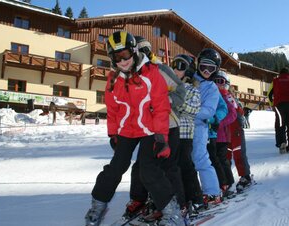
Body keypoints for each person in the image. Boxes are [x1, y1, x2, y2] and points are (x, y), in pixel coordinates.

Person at [84, 31, 183, 226]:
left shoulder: (152, 74)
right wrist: (112, 133)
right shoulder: (113, 79)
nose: (122, 61)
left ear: (134, 51)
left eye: (126, 55)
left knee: (148, 171)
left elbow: (162, 108)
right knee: (115, 169)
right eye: (116, 57)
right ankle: (97, 208)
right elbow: (112, 111)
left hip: (149, 130)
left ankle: (173, 214)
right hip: (126, 131)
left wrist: (161, 138)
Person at [123, 36, 187, 222]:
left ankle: (178, 205)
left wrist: (164, 101)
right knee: (141, 167)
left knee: (168, 167)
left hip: (168, 125)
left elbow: (180, 91)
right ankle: (139, 199)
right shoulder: (129, 75)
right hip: (146, 129)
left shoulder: (160, 69)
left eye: (145, 52)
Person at [171, 54, 204, 211]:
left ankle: (196, 198)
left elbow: (193, 110)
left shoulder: (193, 90)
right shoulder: (170, 88)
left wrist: (175, 104)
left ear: (189, 70)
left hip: (185, 134)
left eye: (181, 66)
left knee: (185, 165)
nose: (176, 69)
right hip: (170, 132)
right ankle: (179, 198)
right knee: (172, 167)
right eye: (174, 65)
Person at [192, 48, 222, 206]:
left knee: (200, 159)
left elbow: (209, 110)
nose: (206, 71)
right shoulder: (188, 78)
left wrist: (189, 112)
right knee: (181, 161)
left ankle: (212, 192)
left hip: (198, 128)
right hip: (180, 127)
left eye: (211, 68)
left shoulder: (212, 88)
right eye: (204, 66)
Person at [211, 70, 237, 196]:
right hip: (213, 135)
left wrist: (219, 123)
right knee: (214, 159)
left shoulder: (226, 96)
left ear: (226, 83)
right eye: (215, 81)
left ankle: (228, 182)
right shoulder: (212, 94)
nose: (217, 84)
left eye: (220, 81)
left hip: (223, 135)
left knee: (222, 159)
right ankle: (220, 182)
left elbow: (233, 114)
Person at [227, 85, 254, 191]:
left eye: (231, 93)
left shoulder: (235, 103)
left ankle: (245, 176)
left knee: (239, 154)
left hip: (236, 132)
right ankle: (226, 179)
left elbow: (241, 119)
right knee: (225, 156)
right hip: (224, 133)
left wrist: (238, 111)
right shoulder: (220, 100)